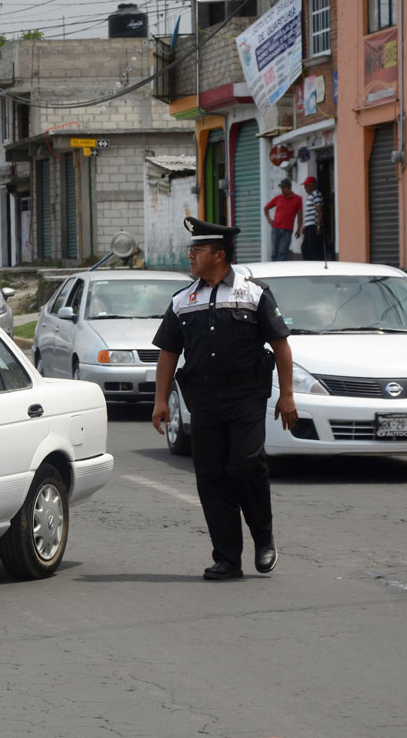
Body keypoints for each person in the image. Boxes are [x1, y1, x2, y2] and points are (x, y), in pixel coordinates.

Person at [150, 217, 298, 580]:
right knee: (211, 476)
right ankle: (228, 558)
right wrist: (160, 400)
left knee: (246, 465)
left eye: (196, 250)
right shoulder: (183, 300)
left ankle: (264, 540)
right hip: (204, 400)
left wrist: (288, 396)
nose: (190, 256)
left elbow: (280, 346)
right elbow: (168, 353)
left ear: (219, 255)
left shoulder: (254, 293)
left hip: (245, 396)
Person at [263, 177, 302, 261]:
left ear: (289, 188)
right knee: (274, 253)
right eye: (281, 188)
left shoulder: (298, 199)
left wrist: (298, 229)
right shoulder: (278, 198)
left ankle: (279, 271)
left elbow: (299, 215)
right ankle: (273, 271)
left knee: (282, 253)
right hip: (275, 229)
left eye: (284, 188)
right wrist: (269, 220)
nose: (282, 190)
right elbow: (266, 208)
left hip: (287, 231)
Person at [300, 176, 324, 261]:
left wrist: (318, 226)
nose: (305, 187)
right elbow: (309, 212)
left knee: (312, 248)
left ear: (312, 185)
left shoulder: (316, 194)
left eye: (306, 185)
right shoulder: (310, 195)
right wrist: (304, 226)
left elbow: (319, 210)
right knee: (305, 248)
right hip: (309, 226)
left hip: (313, 226)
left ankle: (315, 265)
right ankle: (309, 264)